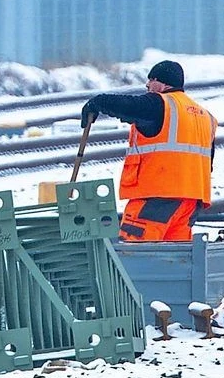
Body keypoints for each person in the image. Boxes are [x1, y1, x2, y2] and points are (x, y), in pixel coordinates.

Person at [79, 58, 216, 243]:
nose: (147, 84)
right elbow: (208, 163)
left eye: (152, 79)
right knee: (175, 256)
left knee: (133, 252)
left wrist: (97, 103)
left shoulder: (160, 104)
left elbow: (129, 106)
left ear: (164, 83)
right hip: (189, 203)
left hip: (156, 198)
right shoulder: (206, 117)